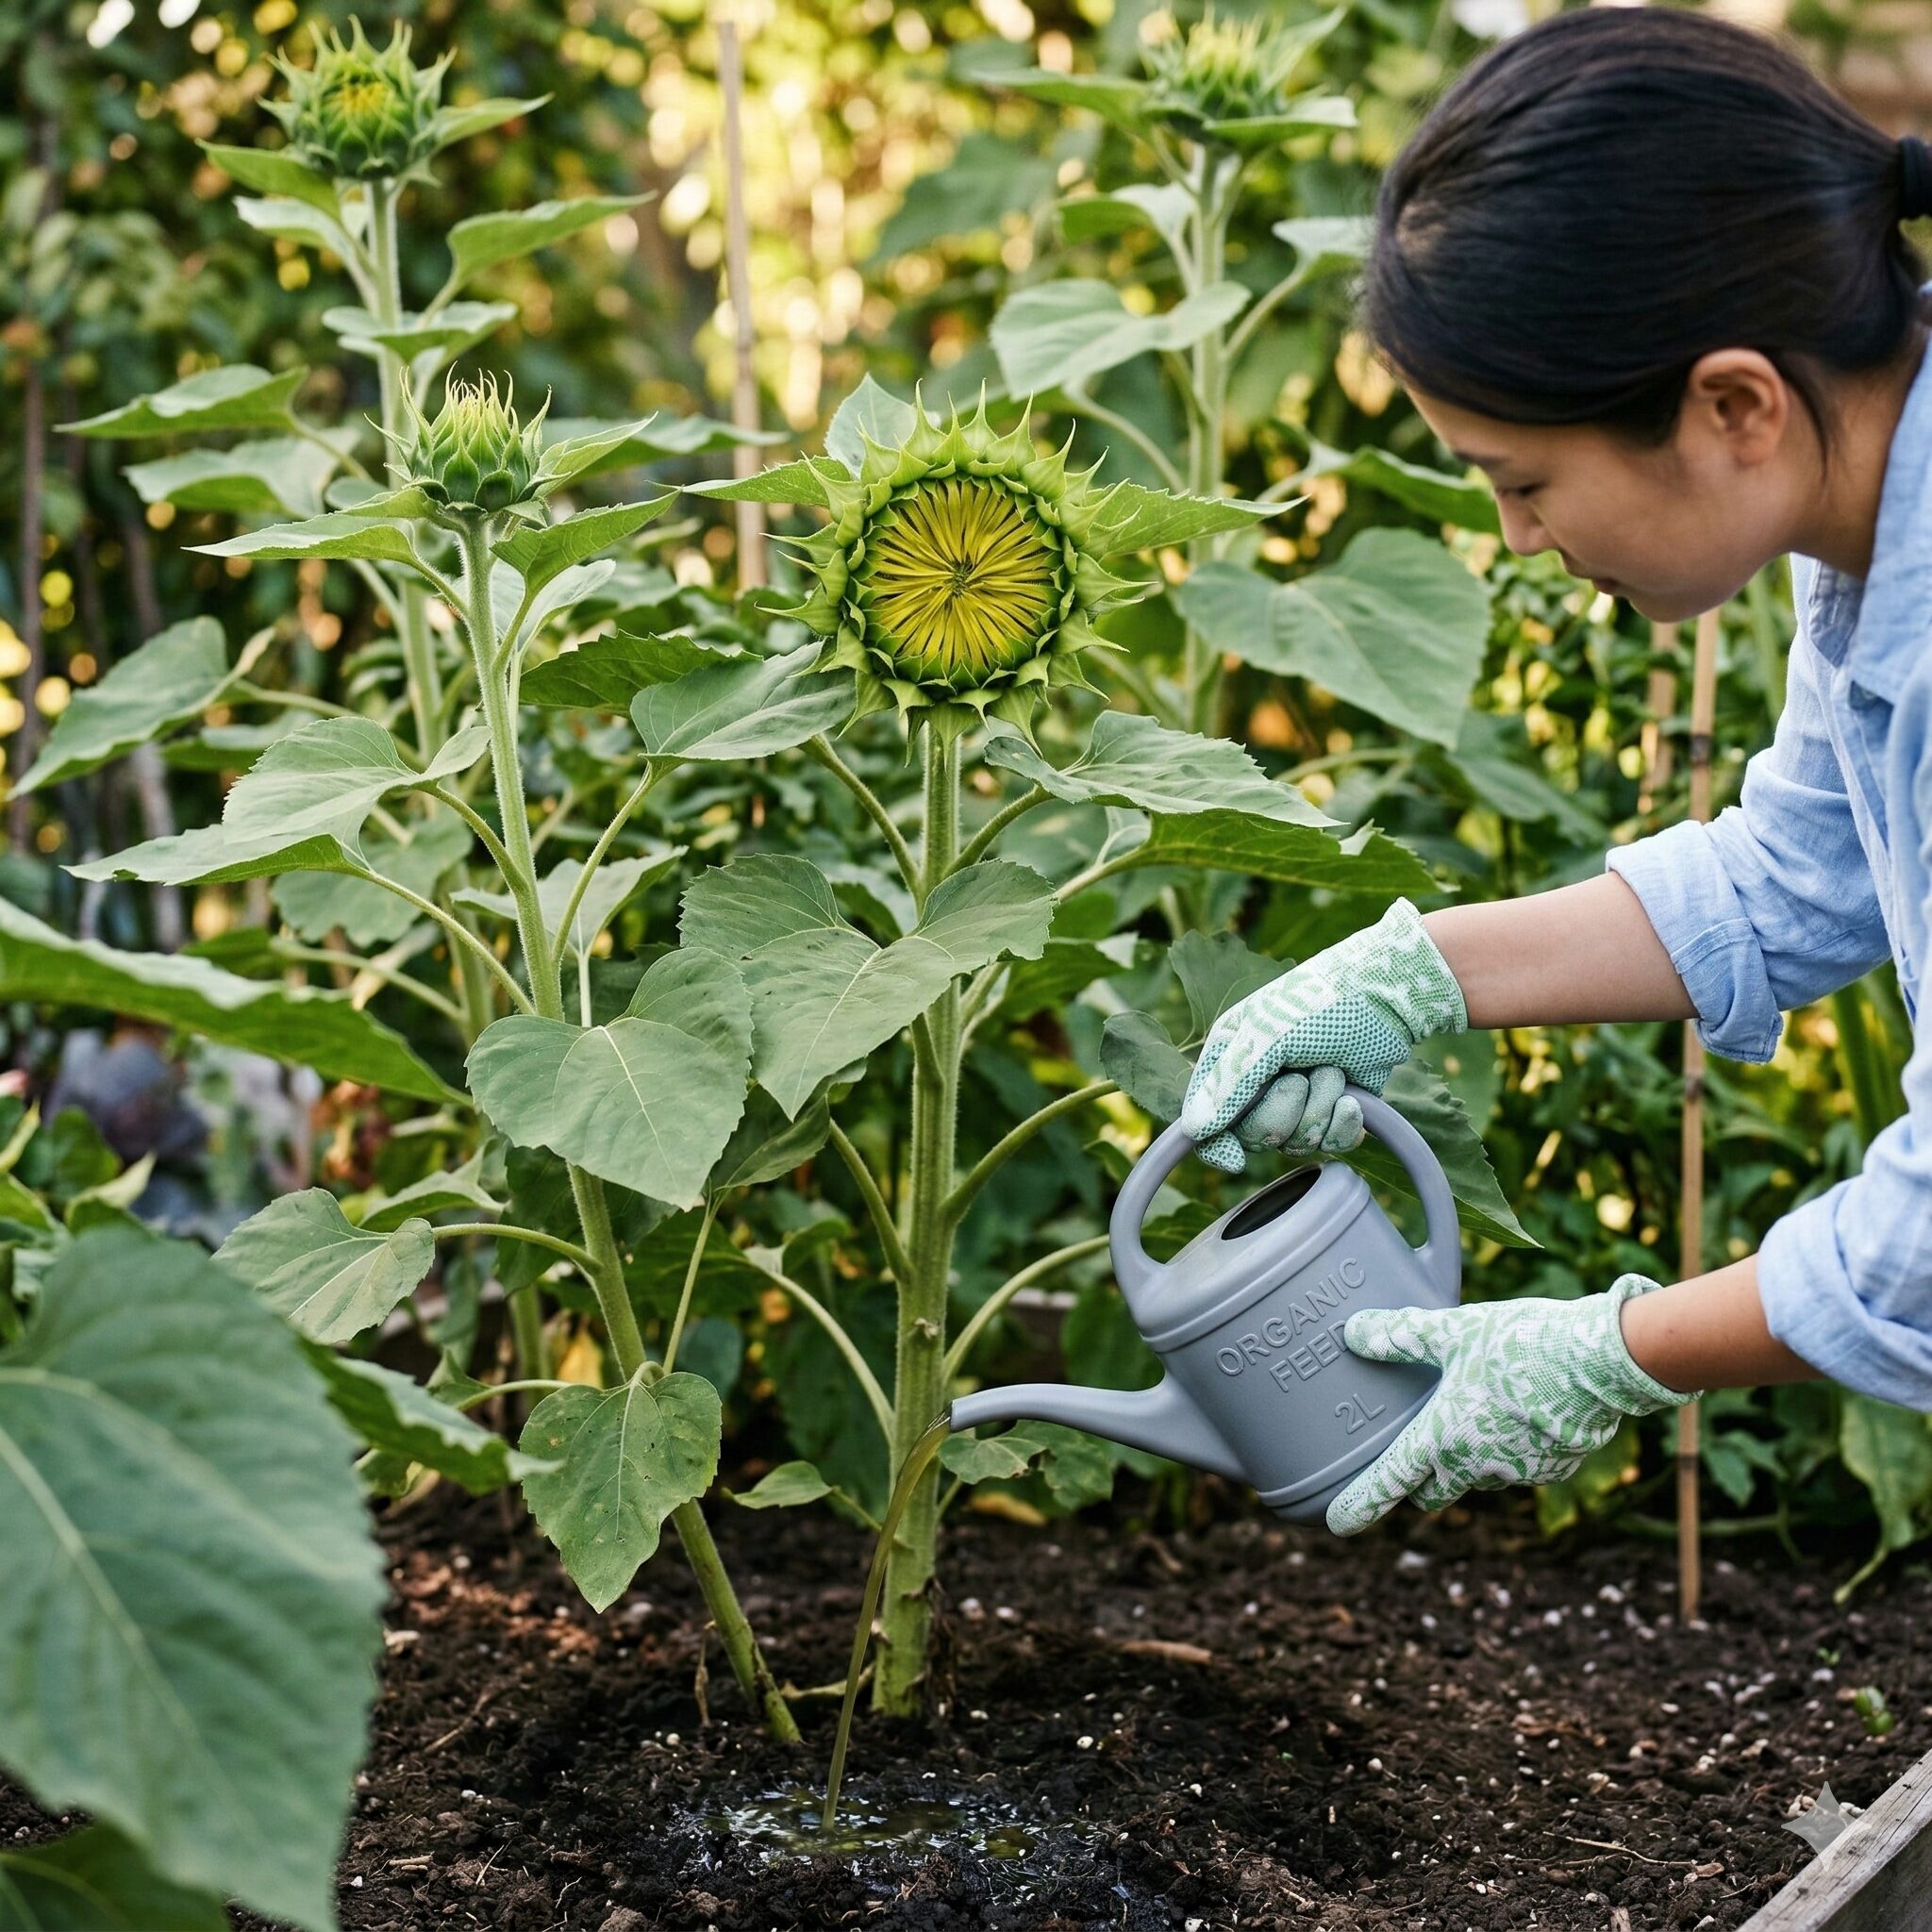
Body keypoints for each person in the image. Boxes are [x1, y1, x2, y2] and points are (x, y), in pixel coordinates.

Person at [1179, 6, 1932, 1539]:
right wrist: (1399, 978)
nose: (1520, 538)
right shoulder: (1867, 521)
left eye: (1524, 480)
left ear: (1734, 405)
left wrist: (1609, 1350)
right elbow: (1799, 874)